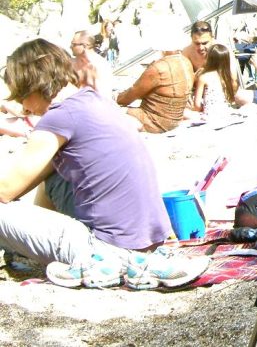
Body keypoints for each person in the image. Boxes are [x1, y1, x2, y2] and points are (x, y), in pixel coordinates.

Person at [0, 39, 207, 289]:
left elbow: (5, 190)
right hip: (148, 237)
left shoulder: (58, 117)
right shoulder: (94, 101)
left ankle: (94, 259)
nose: (23, 107)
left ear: (33, 84)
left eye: (22, 96)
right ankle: (29, 251)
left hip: (106, 247)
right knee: (53, 173)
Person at [117, 28, 195, 133]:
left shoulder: (159, 68)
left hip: (154, 123)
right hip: (175, 120)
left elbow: (130, 95)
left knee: (109, 112)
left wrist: (115, 97)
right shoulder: (186, 62)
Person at [192, 43, 238, 122]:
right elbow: (232, 98)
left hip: (210, 115)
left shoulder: (203, 77)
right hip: (226, 112)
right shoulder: (228, 76)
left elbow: (197, 105)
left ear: (208, 59)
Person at [70, 29, 115, 100]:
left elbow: (101, 94)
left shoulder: (100, 65)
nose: (70, 47)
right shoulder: (73, 61)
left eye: (73, 44)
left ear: (85, 46)